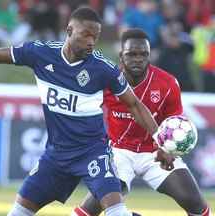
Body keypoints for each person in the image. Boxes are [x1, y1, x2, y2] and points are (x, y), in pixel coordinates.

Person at [0, 8, 173, 216]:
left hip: (93, 153)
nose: (91, 42)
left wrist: (160, 141)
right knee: (17, 212)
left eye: (95, 37)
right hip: (56, 156)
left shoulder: (104, 69)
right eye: (86, 35)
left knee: (115, 211)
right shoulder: (40, 53)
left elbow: (135, 105)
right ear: (69, 30)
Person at [71, 28, 212, 216]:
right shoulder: (106, 80)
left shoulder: (168, 84)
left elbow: (174, 123)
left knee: (196, 204)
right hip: (118, 152)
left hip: (156, 152)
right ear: (121, 55)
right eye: (132, 54)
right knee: (93, 207)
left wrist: (169, 149)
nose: (138, 59)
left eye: (143, 54)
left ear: (150, 55)